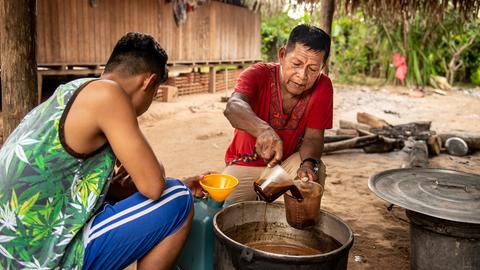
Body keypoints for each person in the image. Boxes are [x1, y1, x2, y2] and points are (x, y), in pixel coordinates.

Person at [0, 32, 205, 270]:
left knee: (121, 195)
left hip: (13, 251)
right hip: (39, 259)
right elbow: (154, 185)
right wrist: (169, 181)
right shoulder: (109, 95)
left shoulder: (72, 90)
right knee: (178, 198)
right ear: (148, 82)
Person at [223, 24, 333, 203]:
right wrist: (262, 130)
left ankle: (298, 220)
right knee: (227, 215)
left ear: (322, 67)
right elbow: (233, 107)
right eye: (296, 64)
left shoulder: (323, 86)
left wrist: (308, 164)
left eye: (312, 69)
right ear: (282, 55)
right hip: (244, 165)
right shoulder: (257, 74)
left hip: (285, 168)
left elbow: (313, 138)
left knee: (313, 173)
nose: (302, 75)